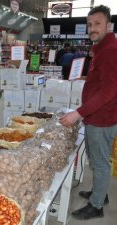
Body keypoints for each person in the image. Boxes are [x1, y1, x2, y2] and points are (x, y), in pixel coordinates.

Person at [60, 5, 117, 220]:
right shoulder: (102, 47)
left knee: (100, 163)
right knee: (95, 159)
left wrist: (79, 113)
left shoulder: (110, 51)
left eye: (98, 24)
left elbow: (110, 91)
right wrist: (86, 79)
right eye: (90, 25)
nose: (93, 29)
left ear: (108, 25)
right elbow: (105, 81)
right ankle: (99, 193)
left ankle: (97, 205)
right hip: (98, 118)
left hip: (102, 120)